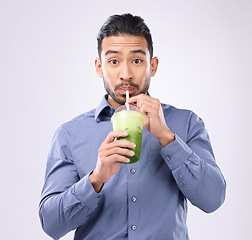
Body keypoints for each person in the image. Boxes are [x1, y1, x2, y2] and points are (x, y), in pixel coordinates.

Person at [39, 13, 226, 240]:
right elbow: (51, 224)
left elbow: (213, 199)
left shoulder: (186, 123)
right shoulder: (69, 134)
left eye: (137, 61)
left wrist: (168, 138)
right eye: (114, 61)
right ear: (99, 67)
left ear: (153, 66)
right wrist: (95, 179)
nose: (125, 74)